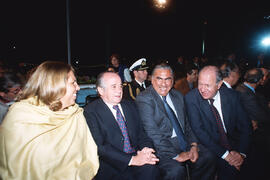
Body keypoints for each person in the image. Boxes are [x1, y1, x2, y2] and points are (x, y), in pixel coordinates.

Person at [0, 61, 99, 179]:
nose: (78, 87)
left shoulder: (75, 113)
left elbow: (86, 157)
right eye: (73, 82)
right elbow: (15, 168)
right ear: (55, 85)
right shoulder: (20, 117)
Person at [136, 64, 216, 180]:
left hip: (184, 142)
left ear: (173, 81)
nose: (164, 84)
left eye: (168, 79)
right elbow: (152, 133)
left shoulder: (178, 96)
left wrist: (193, 145)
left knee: (209, 156)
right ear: (152, 79)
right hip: (161, 148)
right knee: (176, 171)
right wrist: (175, 155)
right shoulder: (144, 99)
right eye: (159, 79)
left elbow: (187, 124)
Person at [83, 72, 160, 180]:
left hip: (136, 155)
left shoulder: (130, 105)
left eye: (120, 86)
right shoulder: (90, 112)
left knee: (151, 167)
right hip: (112, 164)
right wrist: (132, 160)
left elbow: (141, 134)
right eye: (113, 87)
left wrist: (146, 149)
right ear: (101, 90)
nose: (119, 90)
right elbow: (100, 146)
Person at [185, 65, 252, 180]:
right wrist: (226, 156)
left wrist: (241, 154)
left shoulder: (233, 96)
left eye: (208, 85)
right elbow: (199, 131)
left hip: (234, 144)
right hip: (210, 146)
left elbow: (245, 126)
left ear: (219, 84)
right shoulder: (191, 98)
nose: (202, 89)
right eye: (200, 84)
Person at [235, 67, 270, 179]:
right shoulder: (245, 92)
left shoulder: (246, 89)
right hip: (252, 135)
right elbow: (262, 116)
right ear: (259, 80)